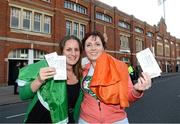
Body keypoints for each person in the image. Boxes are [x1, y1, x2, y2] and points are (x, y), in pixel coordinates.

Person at [78, 31, 152, 123]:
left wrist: (137, 90)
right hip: (86, 120)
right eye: (88, 45)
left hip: (116, 120)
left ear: (103, 48)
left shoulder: (119, 67)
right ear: (85, 49)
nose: (93, 48)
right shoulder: (83, 69)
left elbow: (128, 96)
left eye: (97, 44)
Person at [17, 35, 82, 123]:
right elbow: (23, 95)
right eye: (68, 49)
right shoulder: (49, 68)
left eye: (76, 49)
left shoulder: (81, 76)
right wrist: (39, 80)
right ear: (62, 52)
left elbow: (75, 109)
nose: (73, 53)